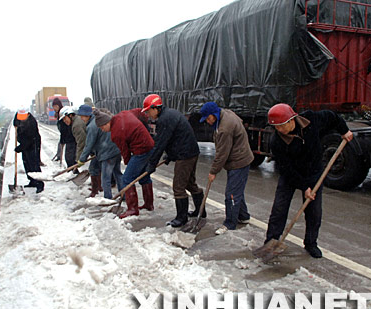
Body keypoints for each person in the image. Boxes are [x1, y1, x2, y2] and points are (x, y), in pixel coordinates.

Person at [265, 103, 353, 258]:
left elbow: (332, 117)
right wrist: (304, 186)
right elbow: (286, 169)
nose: (279, 130)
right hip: (291, 176)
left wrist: (344, 130)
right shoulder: (276, 142)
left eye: (281, 126)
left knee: (314, 212)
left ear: (292, 119)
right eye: (275, 127)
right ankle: (271, 241)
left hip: (313, 172)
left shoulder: (312, 120)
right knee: (279, 208)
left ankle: (311, 243)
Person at [143, 94, 203, 227]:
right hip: (190, 151)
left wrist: (151, 164)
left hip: (185, 155)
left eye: (148, 110)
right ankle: (201, 210)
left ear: (155, 108)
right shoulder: (169, 114)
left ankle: (181, 218)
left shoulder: (164, 119)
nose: (148, 114)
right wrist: (170, 155)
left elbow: (160, 144)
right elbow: (175, 137)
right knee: (190, 183)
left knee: (178, 187)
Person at [199, 102, 254, 235]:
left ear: (214, 114)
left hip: (239, 161)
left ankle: (230, 223)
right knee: (236, 190)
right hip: (240, 158)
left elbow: (222, 153)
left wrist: (213, 171)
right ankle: (243, 216)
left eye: (208, 118)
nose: (207, 121)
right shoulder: (224, 114)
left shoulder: (225, 128)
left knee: (231, 194)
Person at [97, 108, 155, 218]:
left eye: (102, 127)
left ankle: (132, 209)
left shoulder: (116, 134)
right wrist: (145, 126)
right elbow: (140, 112)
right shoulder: (123, 114)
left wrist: (129, 165)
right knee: (144, 177)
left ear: (107, 122)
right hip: (149, 145)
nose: (102, 130)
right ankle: (148, 204)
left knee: (127, 179)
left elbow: (125, 152)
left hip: (141, 150)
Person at [79, 108, 123, 199]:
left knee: (105, 179)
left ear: (87, 116)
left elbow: (89, 144)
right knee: (118, 174)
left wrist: (82, 159)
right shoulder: (99, 121)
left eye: (82, 116)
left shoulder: (92, 126)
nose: (81, 119)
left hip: (107, 154)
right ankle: (124, 195)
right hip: (116, 150)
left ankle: (107, 199)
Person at [13, 109, 44, 193]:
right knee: (26, 162)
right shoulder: (19, 116)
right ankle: (32, 181)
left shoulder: (31, 122)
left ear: (27, 115)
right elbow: (15, 121)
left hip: (33, 143)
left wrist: (20, 147)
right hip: (25, 143)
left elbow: (29, 139)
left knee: (34, 163)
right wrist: (15, 123)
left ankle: (39, 183)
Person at [51, 98, 64, 162]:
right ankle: (59, 156)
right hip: (63, 132)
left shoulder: (62, 112)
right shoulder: (58, 112)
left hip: (66, 132)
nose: (54, 109)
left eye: (54, 107)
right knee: (60, 144)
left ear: (57, 106)